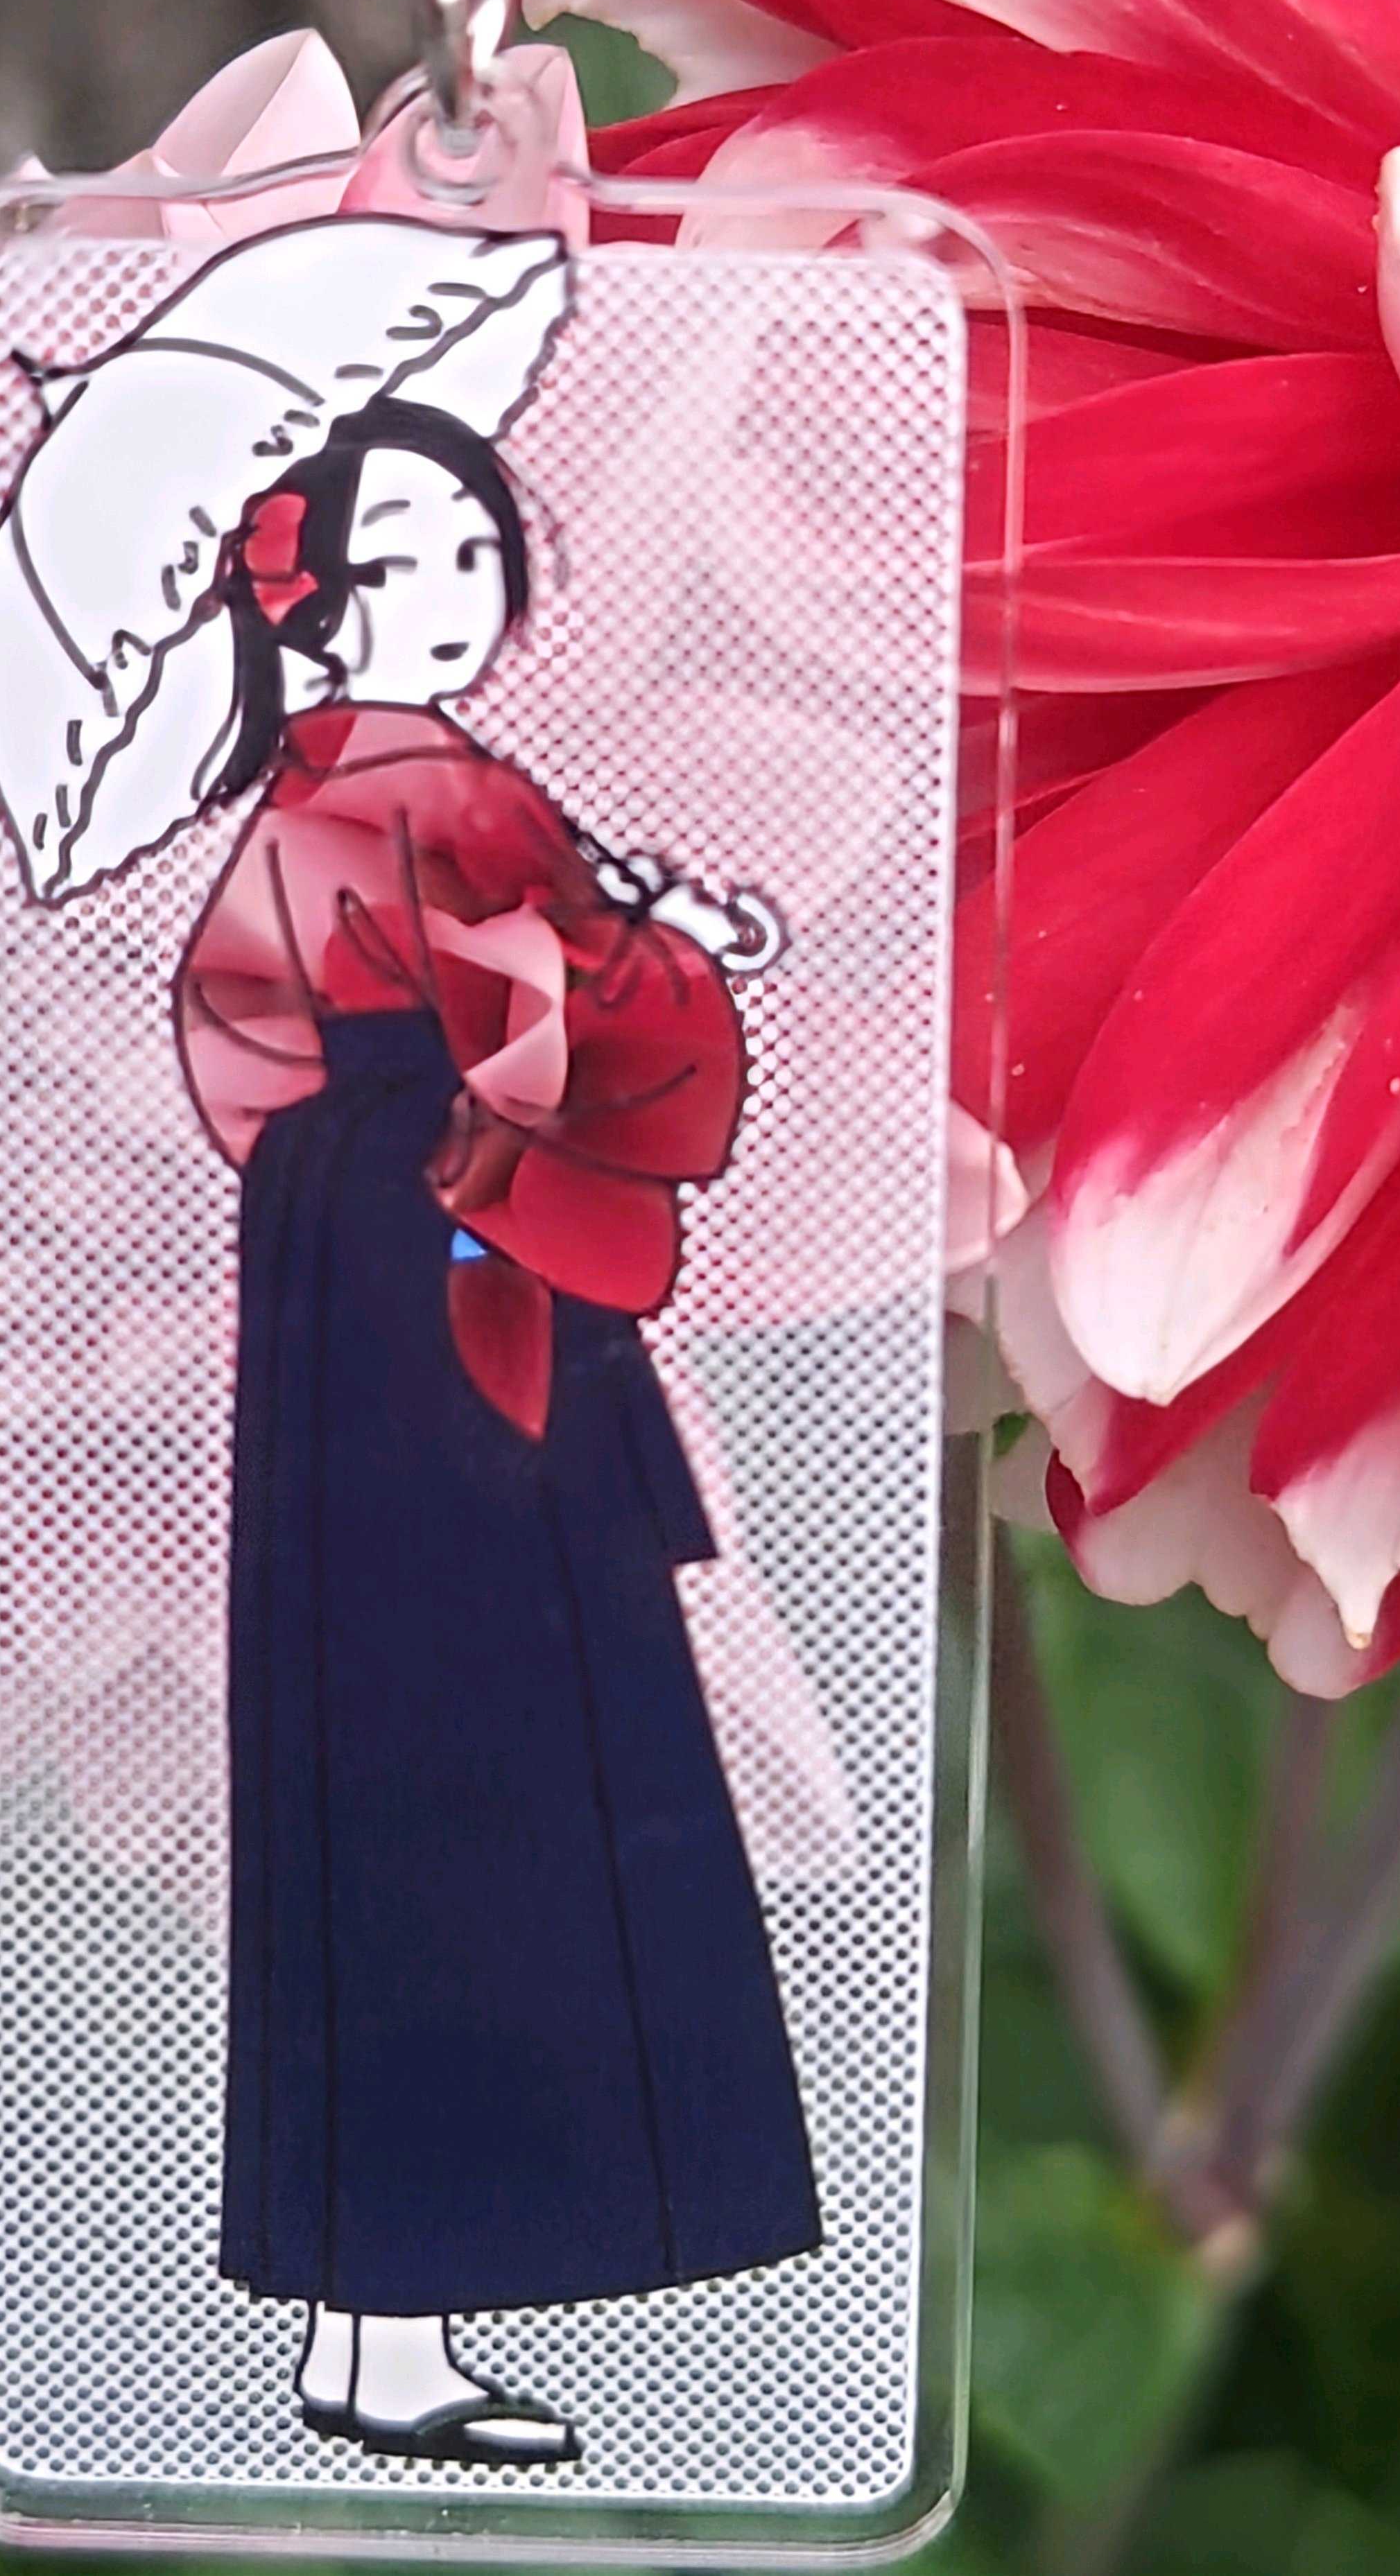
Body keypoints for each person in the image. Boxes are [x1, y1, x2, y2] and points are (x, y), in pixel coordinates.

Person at [175, 398, 820, 2468]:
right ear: (316, 602)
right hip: (453, 1247)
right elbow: (568, 1016)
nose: (448, 597)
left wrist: (365, 1165)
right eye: (401, 566)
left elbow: (236, 1047)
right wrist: (684, 959)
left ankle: (369, 2321)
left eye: (473, 557)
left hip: (339, 1255)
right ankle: (407, 2322)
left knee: (376, 1756)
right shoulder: (441, 788)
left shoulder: (320, 789)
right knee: (505, 1740)